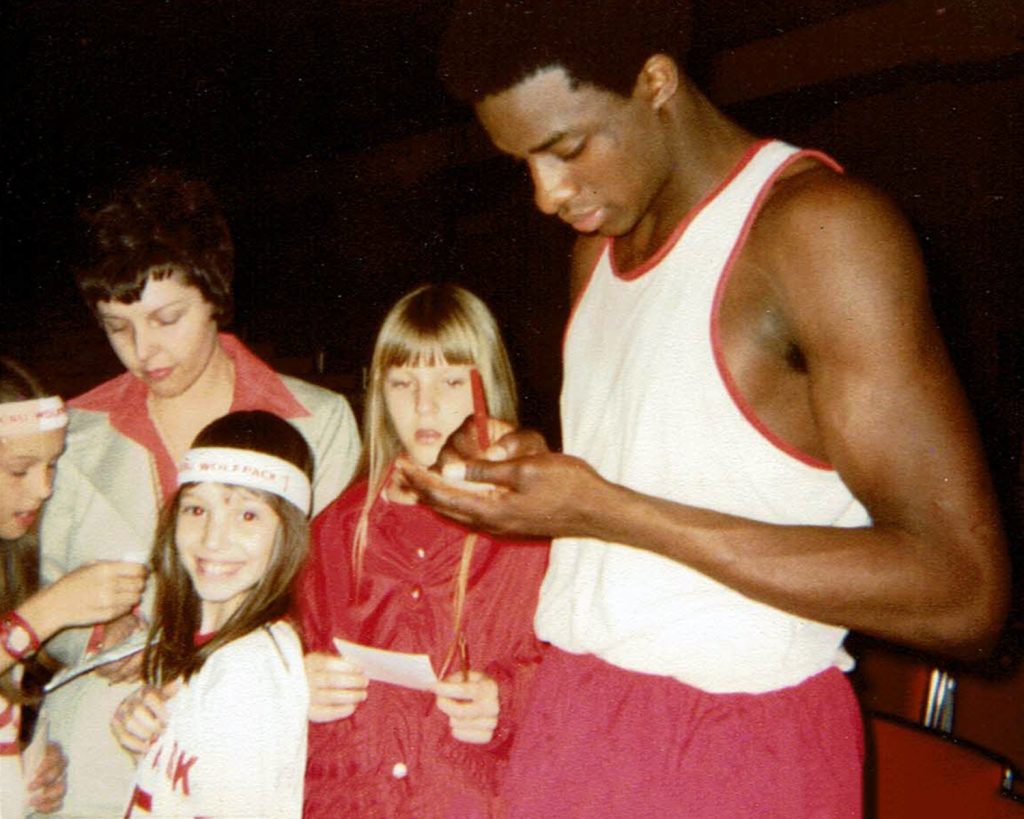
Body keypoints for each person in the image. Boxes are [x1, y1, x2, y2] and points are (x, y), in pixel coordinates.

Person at [400, 2, 1012, 816]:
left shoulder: (817, 232)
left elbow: (964, 596)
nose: (547, 194)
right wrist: (537, 473)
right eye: (525, 164)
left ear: (656, 81)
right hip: (575, 713)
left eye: (568, 148)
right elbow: (683, 466)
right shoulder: (598, 250)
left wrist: (606, 508)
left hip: (738, 739)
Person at [38, 169, 360, 816]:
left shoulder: (315, 422)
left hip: (240, 754)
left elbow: (330, 598)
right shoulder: (72, 436)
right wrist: (93, 634)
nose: (143, 351)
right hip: (90, 767)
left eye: (166, 318)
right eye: (116, 326)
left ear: (215, 295)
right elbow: (34, 597)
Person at [298, 283, 548, 818]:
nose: (424, 405)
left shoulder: (534, 532)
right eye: (403, 382)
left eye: (451, 381)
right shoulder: (334, 531)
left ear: (489, 387)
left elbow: (572, 672)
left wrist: (507, 701)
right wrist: (299, 682)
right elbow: (282, 649)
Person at [110, 410, 311, 818]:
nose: (213, 540)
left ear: (287, 533)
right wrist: (148, 745)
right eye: (197, 510)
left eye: (248, 515)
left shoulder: (246, 672)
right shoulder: (205, 648)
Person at [0, 358, 146, 817]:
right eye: (20, 469)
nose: (44, 490)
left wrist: (28, 761)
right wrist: (50, 611)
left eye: (52, 466)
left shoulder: (11, 551)